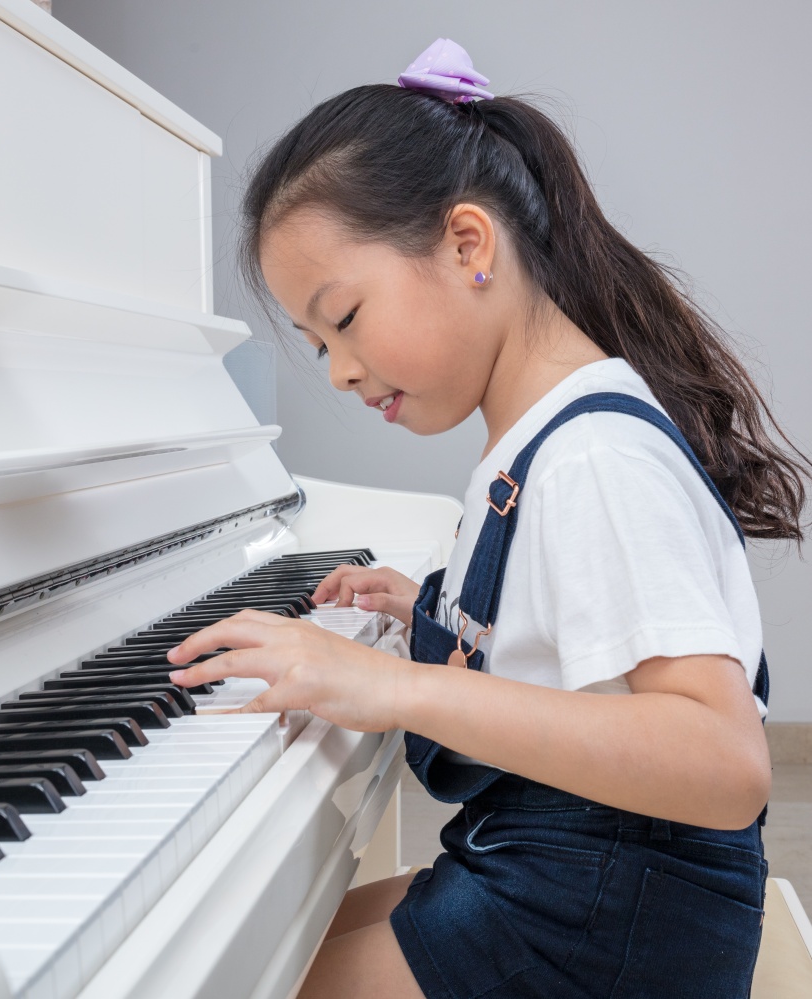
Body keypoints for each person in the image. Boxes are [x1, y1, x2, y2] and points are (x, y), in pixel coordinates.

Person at [167, 38, 810, 999]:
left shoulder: (592, 455)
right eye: (315, 344)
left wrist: (388, 684)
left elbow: (721, 762)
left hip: (607, 925)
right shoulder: (535, 436)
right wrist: (428, 607)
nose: (337, 370)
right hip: (556, 879)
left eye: (342, 317)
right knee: (252, 951)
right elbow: (569, 656)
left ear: (468, 244)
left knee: (230, 978)